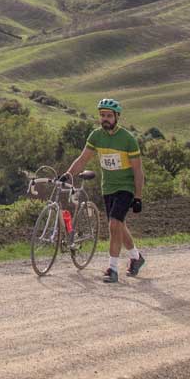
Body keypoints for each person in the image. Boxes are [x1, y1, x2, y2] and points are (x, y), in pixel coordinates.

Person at [61, 97, 145, 283]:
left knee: (114, 225)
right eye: (102, 116)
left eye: (108, 116)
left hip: (126, 187)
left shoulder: (128, 139)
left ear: (117, 117)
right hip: (108, 187)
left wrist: (138, 197)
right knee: (119, 226)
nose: (105, 119)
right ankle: (136, 258)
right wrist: (68, 174)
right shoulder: (96, 136)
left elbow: (138, 171)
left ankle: (112, 269)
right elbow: (83, 159)